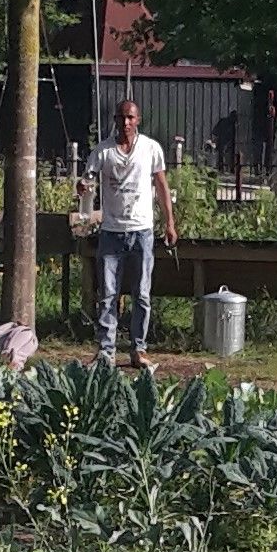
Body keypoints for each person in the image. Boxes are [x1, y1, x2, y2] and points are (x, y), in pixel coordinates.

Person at [89, 98, 177, 365]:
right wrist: (83, 188)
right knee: (107, 294)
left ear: (138, 120)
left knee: (141, 293)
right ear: (115, 120)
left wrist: (169, 223)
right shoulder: (103, 152)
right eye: (121, 117)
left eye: (130, 117)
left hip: (142, 231)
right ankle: (106, 351)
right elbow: (88, 180)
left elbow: (161, 186)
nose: (126, 122)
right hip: (111, 231)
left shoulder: (151, 149)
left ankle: (139, 348)